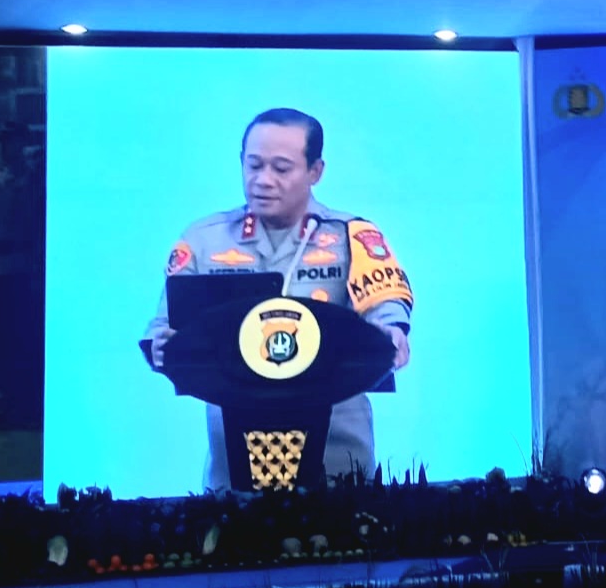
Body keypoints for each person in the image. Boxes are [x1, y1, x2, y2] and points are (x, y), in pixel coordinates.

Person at [141, 108, 413, 490]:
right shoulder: (204, 239)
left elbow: (386, 304)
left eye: (281, 168)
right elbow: (164, 325)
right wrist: (161, 345)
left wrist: (392, 332)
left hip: (338, 449)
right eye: (253, 165)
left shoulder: (351, 236)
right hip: (234, 454)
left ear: (315, 171)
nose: (263, 180)